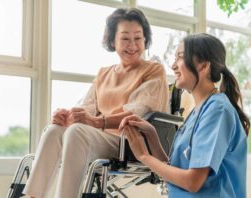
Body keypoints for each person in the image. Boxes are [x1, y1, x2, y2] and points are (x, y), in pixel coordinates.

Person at [23, 8, 169, 198]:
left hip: (128, 141)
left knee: (76, 131)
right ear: (112, 41)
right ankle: (32, 196)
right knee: (53, 130)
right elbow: (87, 108)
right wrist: (67, 116)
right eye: (125, 38)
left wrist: (97, 122)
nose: (132, 45)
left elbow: (137, 113)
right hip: (96, 137)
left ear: (145, 40)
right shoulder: (103, 73)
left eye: (138, 38)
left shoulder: (153, 70)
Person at [119, 33, 250, 197]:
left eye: (180, 57)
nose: (173, 66)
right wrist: (152, 135)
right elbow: (174, 172)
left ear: (203, 65)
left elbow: (193, 182)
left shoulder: (217, 110)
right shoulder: (196, 113)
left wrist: (144, 156)